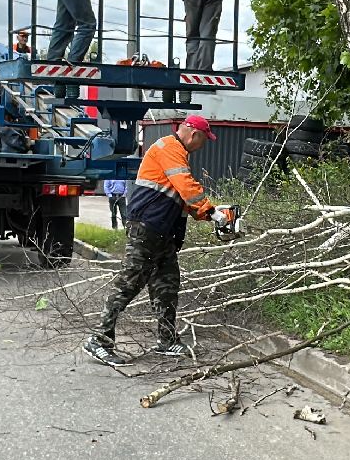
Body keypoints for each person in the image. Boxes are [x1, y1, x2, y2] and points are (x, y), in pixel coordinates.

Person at [85, 116, 237, 364]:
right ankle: (99, 340)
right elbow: (187, 188)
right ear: (193, 133)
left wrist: (211, 215)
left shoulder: (177, 153)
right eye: (204, 140)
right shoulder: (168, 148)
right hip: (146, 228)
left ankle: (166, 340)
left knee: (166, 287)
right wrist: (214, 214)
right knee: (128, 284)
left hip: (163, 234)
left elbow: (183, 201)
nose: (203, 145)